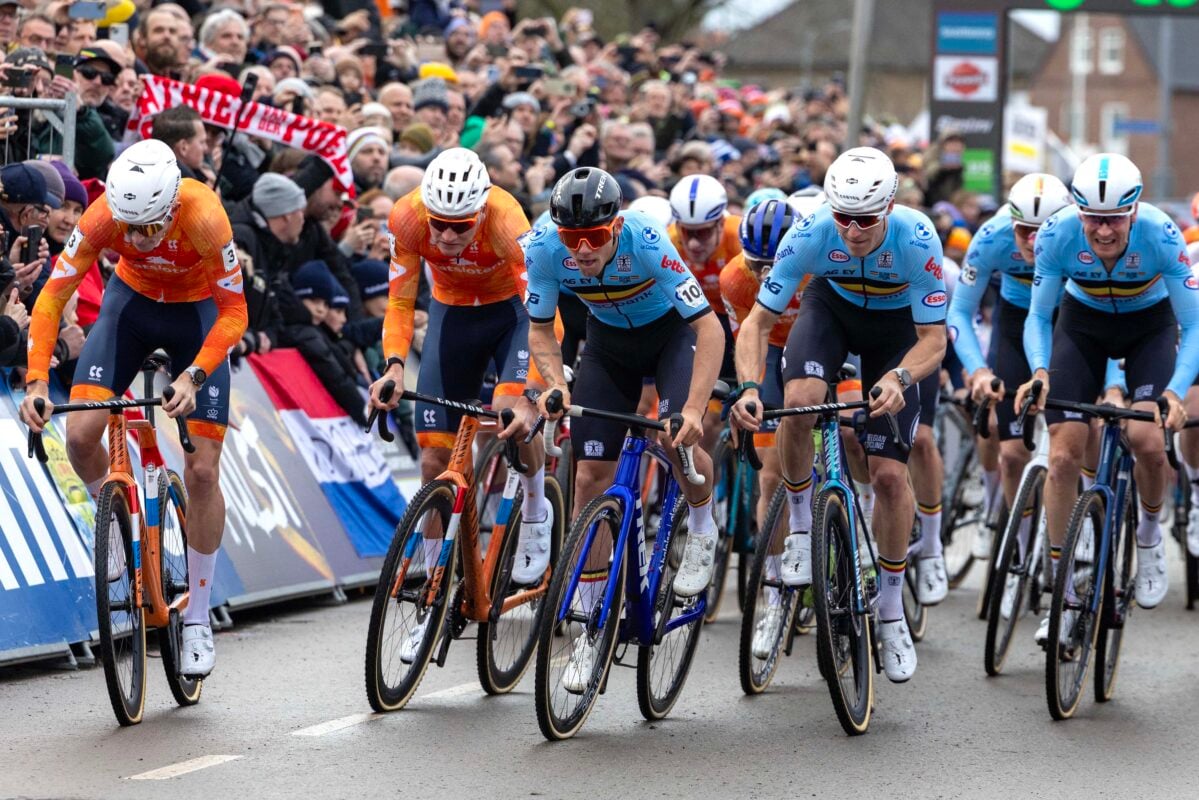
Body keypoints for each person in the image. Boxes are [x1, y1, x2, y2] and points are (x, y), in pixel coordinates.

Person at [20, 139, 248, 680]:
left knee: (201, 468)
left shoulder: (205, 216)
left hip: (197, 316)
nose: (141, 238)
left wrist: (194, 375)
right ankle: (118, 529)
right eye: (132, 228)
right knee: (77, 437)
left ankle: (196, 616)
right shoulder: (104, 215)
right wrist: (35, 379)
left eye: (151, 227)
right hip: (132, 307)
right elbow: (52, 297)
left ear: (170, 205)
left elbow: (236, 311)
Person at [729, 147, 947, 683]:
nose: (852, 231)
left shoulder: (918, 239)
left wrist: (899, 378)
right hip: (834, 309)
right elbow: (757, 324)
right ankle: (801, 528)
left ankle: (892, 612)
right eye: (843, 217)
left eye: (866, 219)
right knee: (799, 401)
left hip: (897, 331)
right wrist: (753, 387)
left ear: (890, 207)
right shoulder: (810, 235)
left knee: (891, 476)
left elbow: (934, 340)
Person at [524, 166, 724, 691]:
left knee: (673, 435)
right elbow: (542, 331)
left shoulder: (647, 239)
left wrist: (696, 410)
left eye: (594, 237)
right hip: (607, 345)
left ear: (615, 227)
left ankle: (703, 526)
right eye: (573, 238)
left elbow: (709, 327)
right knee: (590, 474)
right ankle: (591, 628)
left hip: (670, 340)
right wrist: (554, 385)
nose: (583, 250)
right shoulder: (543, 247)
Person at [367, 147, 551, 662]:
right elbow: (401, 301)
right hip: (451, 315)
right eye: (440, 225)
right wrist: (394, 365)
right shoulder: (406, 216)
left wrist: (530, 390)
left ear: (481, 210)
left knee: (511, 413)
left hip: (515, 317)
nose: (447, 237)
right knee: (433, 458)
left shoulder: (506, 219)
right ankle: (433, 588)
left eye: (460, 225)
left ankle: (536, 506)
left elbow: (542, 310)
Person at [1015, 153, 1199, 642]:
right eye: (1092, 218)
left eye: (1114, 218)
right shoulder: (1056, 234)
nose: (1102, 231)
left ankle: (1150, 534)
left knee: (1146, 439)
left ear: (1134, 211)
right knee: (1061, 457)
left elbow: (1194, 323)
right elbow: (1038, 316)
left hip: (1148, 328)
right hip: (1083, 325)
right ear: (1077, 212)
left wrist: (1176, 392)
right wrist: (1038, 370)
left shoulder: (1162, 235)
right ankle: (1063, 585)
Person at [947, 173, 1073, 572]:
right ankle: (1007, 533)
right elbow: (960, 312)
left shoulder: (1082, 235)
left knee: (1078, 436)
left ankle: (1079, 529)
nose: (1033, 241)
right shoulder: (992, 237)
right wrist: (978, 369)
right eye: (1024, 230)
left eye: (1043, 231)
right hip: (1016, 321)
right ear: (1011, 222)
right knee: (1012, 449)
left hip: (1070, 319)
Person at [718, 197, 801, 657]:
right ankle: (773, 598)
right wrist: (743, 389)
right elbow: (746, 340)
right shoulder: (734, 279)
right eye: (757, 264)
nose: (767, 274)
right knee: (770, 474)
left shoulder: (815, 265)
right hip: (769, 349)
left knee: (849, 426)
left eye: (776, 264)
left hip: (818, 343)